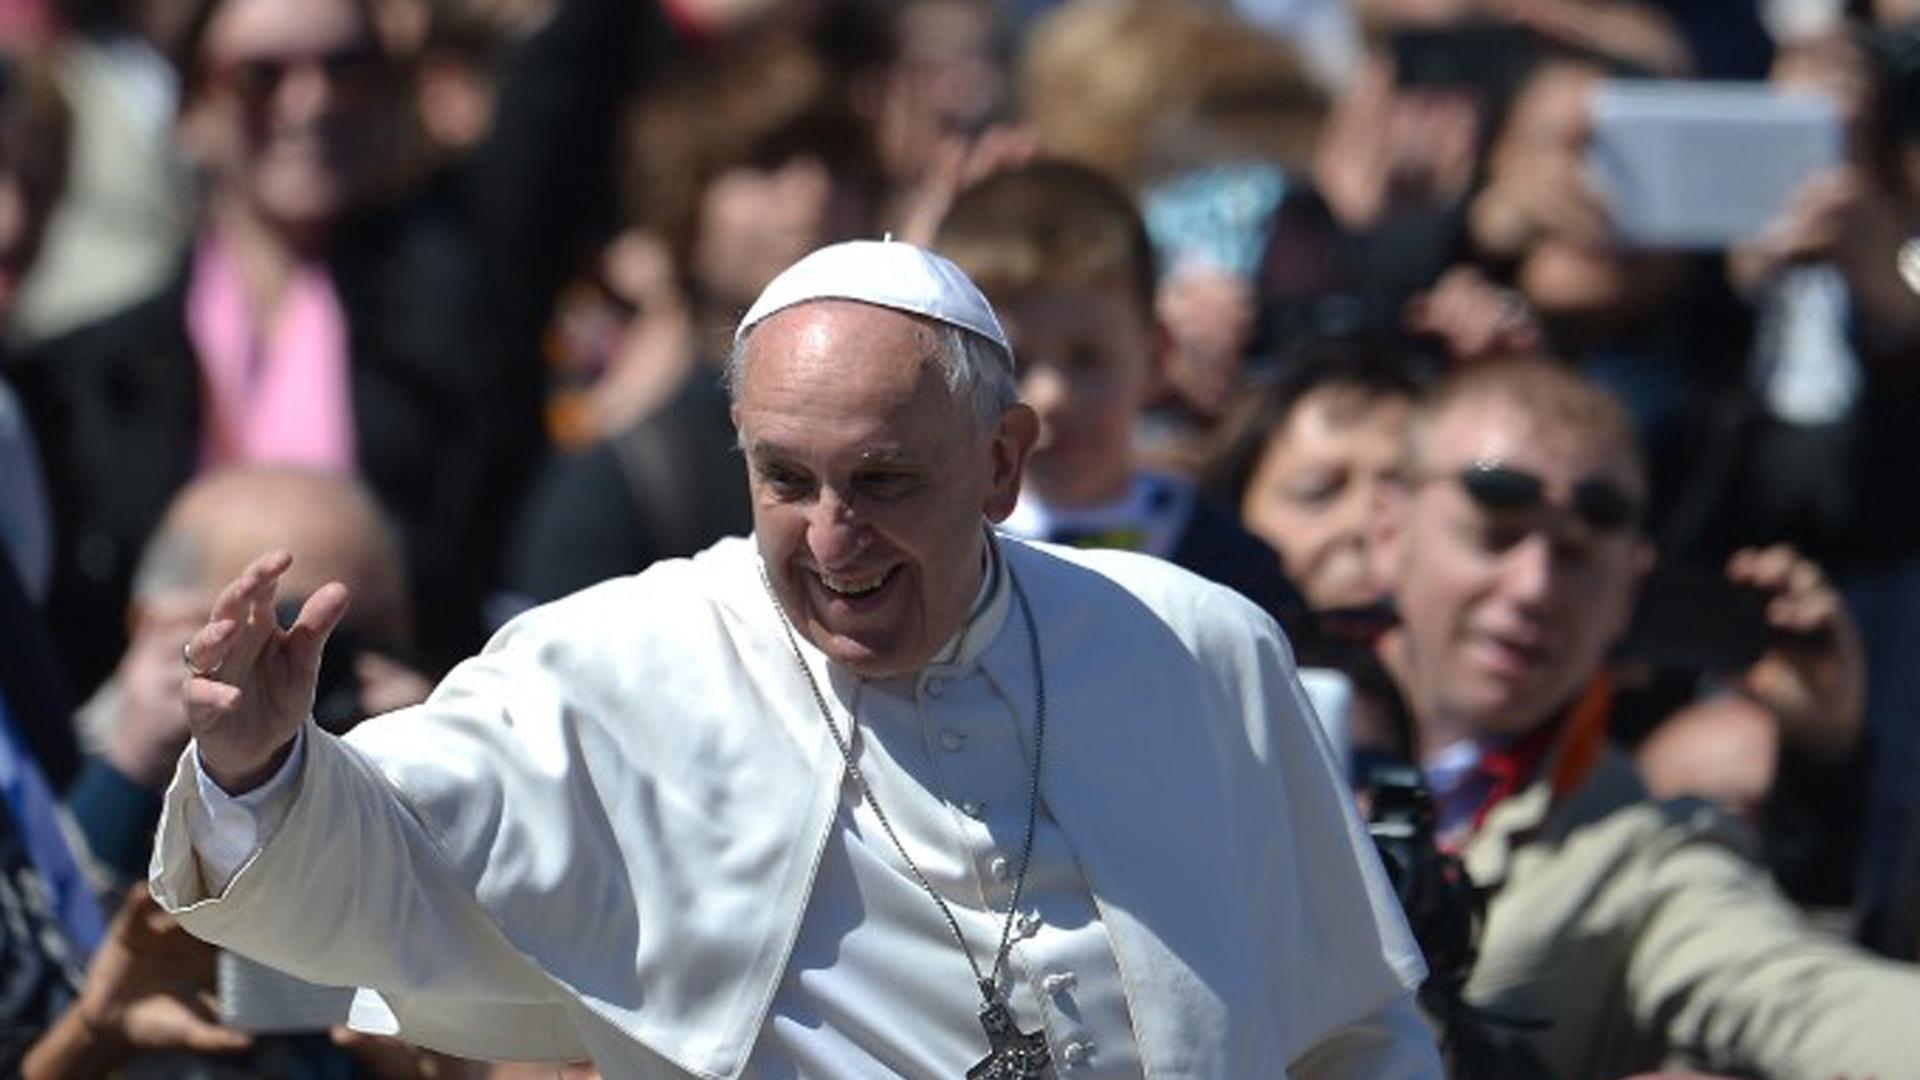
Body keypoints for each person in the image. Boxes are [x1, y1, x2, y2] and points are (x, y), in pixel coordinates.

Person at [152, 239, 1440, 1077]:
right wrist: (260, 767)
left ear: (1001, 463)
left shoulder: (1197, 650)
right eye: (785, 479)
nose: (831, 539)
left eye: (882, 480)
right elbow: (380, 858)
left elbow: (1351, 1029)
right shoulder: (618, 664)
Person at [1366, 356, 1920, 1077]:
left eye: (1577, 555)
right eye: (1495, 534)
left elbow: (1805, 998)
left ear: (1629, 587)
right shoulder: (1251, 703)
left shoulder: (1631, 850)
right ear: (1388, 528)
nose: (1534, 587)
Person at [934, 160, 1310, 635]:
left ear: (1156, 356)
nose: (1052, 397)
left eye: (1088, 359)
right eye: (1012, 363)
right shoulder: (933, 565)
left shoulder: (1230, 566)